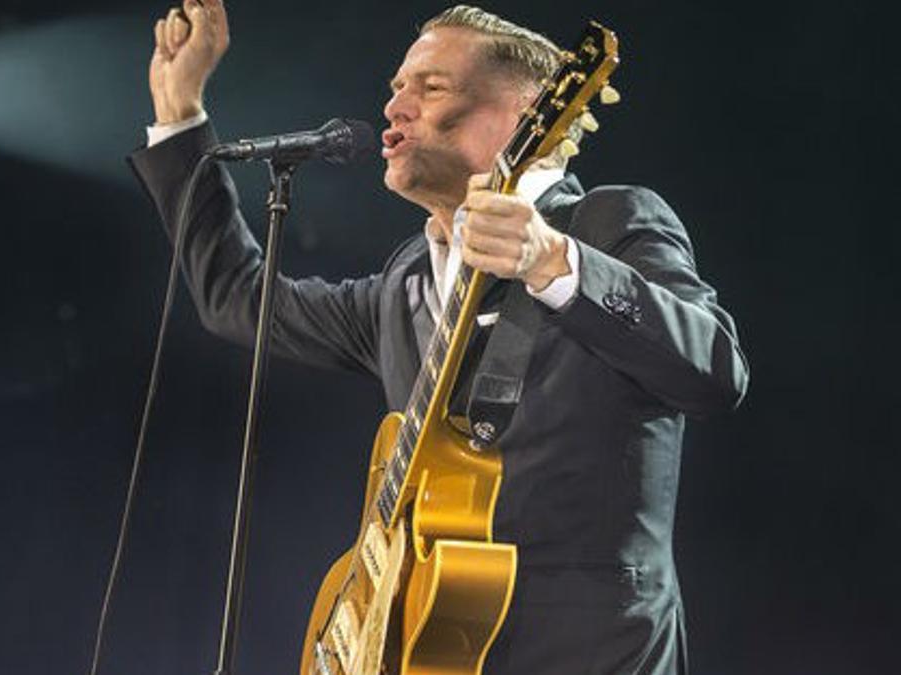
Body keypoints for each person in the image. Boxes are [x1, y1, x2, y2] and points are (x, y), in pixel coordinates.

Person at [128, 2, 749, 673]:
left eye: (431, 87)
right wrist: (180, 109)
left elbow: (715, 370)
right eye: (396, 88)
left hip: (591, 652)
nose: (395, 108)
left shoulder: (609, 223)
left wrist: (556, 263)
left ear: (526, 109)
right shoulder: (404, 286)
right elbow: (236, 298)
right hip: (428, 651)